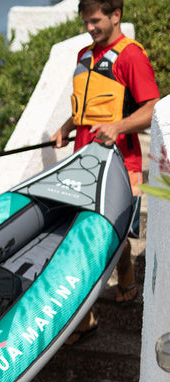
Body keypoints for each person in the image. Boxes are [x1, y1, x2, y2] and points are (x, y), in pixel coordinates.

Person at [50, 0, 159, 345]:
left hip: (118, 160)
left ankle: (83, 319)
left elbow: (153, 108)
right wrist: (67, 125)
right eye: (86, 22)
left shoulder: (130, 57)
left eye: (95, 21)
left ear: (116, 16)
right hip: (82, 158)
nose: (90, 28)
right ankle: (119, 281)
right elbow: (86, 102)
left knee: (97, 238)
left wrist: (119, 126)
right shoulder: (85, 54)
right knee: (92, 234)